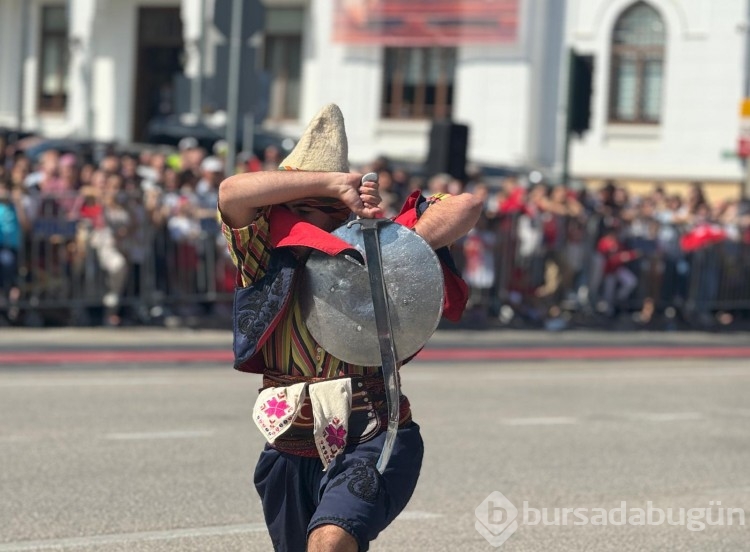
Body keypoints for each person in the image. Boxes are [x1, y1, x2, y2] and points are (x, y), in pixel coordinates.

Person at [217, 104, 482, 552]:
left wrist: (395, 248)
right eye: (293, 206)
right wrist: (331, 184)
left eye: (323, 208)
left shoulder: (380, 249)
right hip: (288, 444)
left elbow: (467, 205)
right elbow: (231, 191)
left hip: (374, 432)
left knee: (331, 543)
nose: (301, 218)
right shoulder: (261, 256)